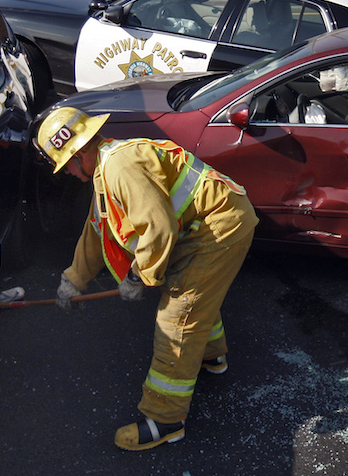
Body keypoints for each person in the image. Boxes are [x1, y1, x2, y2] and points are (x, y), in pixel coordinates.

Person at [36, 108, 258, 451]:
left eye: (66, 166)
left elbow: (158, 227)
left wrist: (139, 276)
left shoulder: (120, 167)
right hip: (206, 224)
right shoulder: (106, 170)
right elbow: (98, 231)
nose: (68, 174)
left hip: (219, 226)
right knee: (192, 297)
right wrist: (73, 279)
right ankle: (211, 357)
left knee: (177, 318)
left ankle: (166, 420)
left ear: (79, 154)